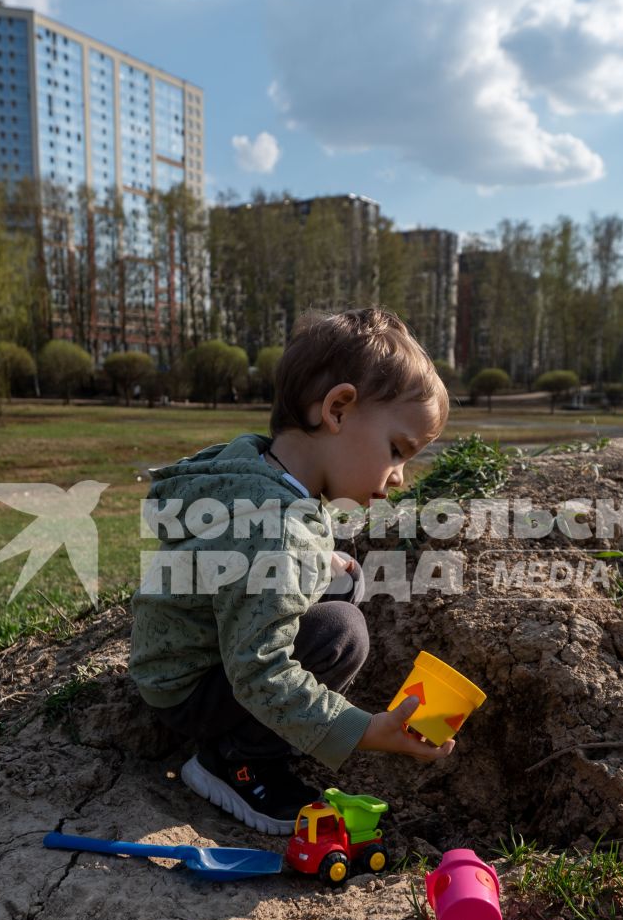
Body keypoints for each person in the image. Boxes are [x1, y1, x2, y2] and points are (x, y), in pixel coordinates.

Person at [129, 307, 453, 834]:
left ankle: (243, 743)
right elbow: (260, 669)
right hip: (189, 687)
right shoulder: (275, 529)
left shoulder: (255, 465)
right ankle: (236, 764)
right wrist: (364, 729)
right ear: (339, 409)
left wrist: (313, 562)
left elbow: (239, 551)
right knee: (342, 633)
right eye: (396, 451)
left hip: (178, 654)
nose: (399, 478)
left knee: (344, 581)